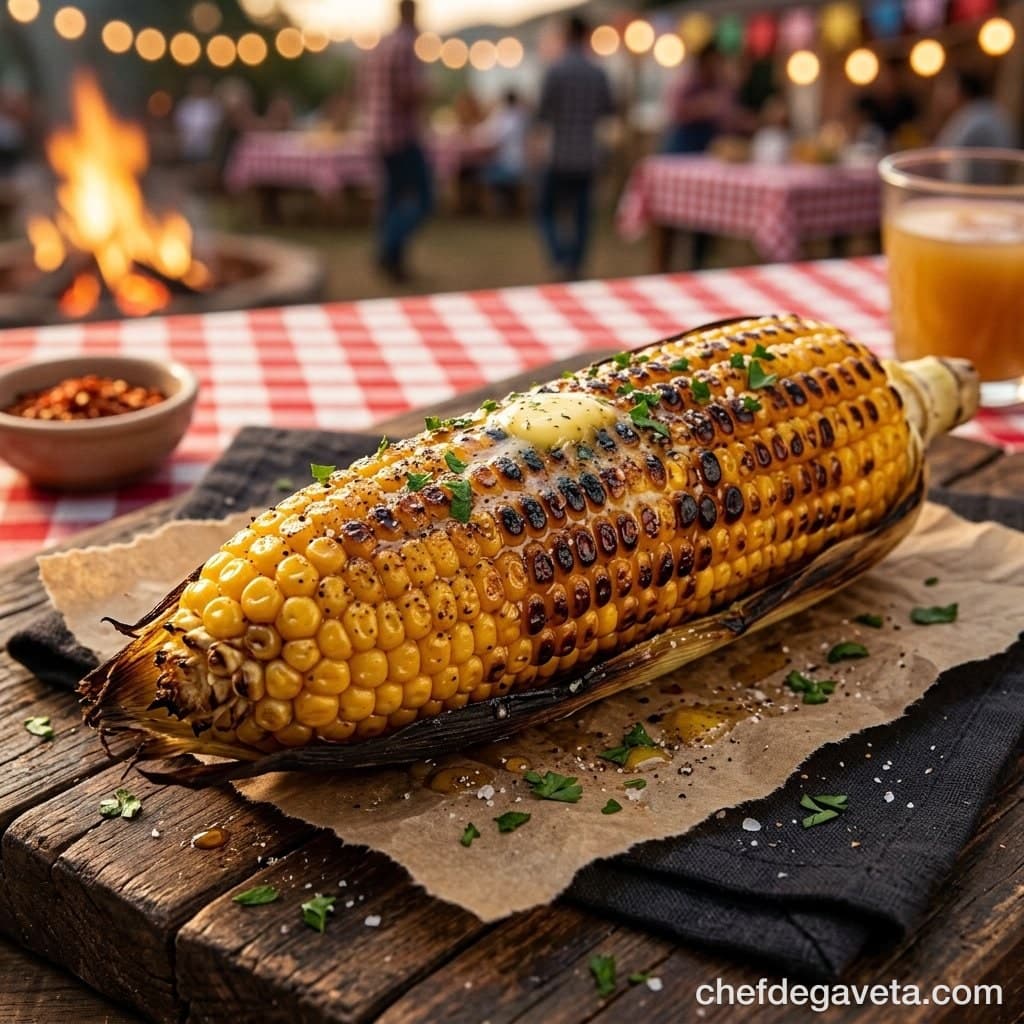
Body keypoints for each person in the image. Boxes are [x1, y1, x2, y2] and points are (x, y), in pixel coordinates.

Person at [536, 14, 614, 280]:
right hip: (587, 155)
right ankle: (575, 263)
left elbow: (543, 112)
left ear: (567, 34)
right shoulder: (598, 72)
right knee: (582, 214)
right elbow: (608, 110)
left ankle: (560, 256)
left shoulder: (555, 70)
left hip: (559, 154)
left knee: (547, 210)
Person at [360, 0, 432, 283]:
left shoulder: (380, 46)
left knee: (391, 200)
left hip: (376, 133)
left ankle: (394, 263)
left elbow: (363, 88)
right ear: (411, 12)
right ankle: (388, 248)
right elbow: (405, 93)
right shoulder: (404, 45)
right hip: (399, 135)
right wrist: (426, 90)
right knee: (424, 198)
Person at [663, 44, 736, 154]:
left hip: (711, 145)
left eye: (718, 63)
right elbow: (675, 110)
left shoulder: (722, 87)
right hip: (684, 144)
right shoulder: (687, 83)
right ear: (702, 63)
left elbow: (728, 117)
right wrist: (700, 107)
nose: (715, 68)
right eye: (711, 63)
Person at [936, 68, 1017, 149]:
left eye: (948, 86)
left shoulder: (977, 118)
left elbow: (946, 153)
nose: (941, 94)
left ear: (962, 90)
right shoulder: (987, 110)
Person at [483, 89, 529, 211]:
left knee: (482, 170)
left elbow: (494, 136)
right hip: (516, 161)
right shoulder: (521, 116)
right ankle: (502, 203)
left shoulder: (509, 117)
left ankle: (499, 205)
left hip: (510, 163)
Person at [174, 77, 223, 164]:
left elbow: (217, 127)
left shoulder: (213, 105)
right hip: (187, 146)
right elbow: (179, 125)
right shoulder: (185, 104)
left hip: (207, 147)